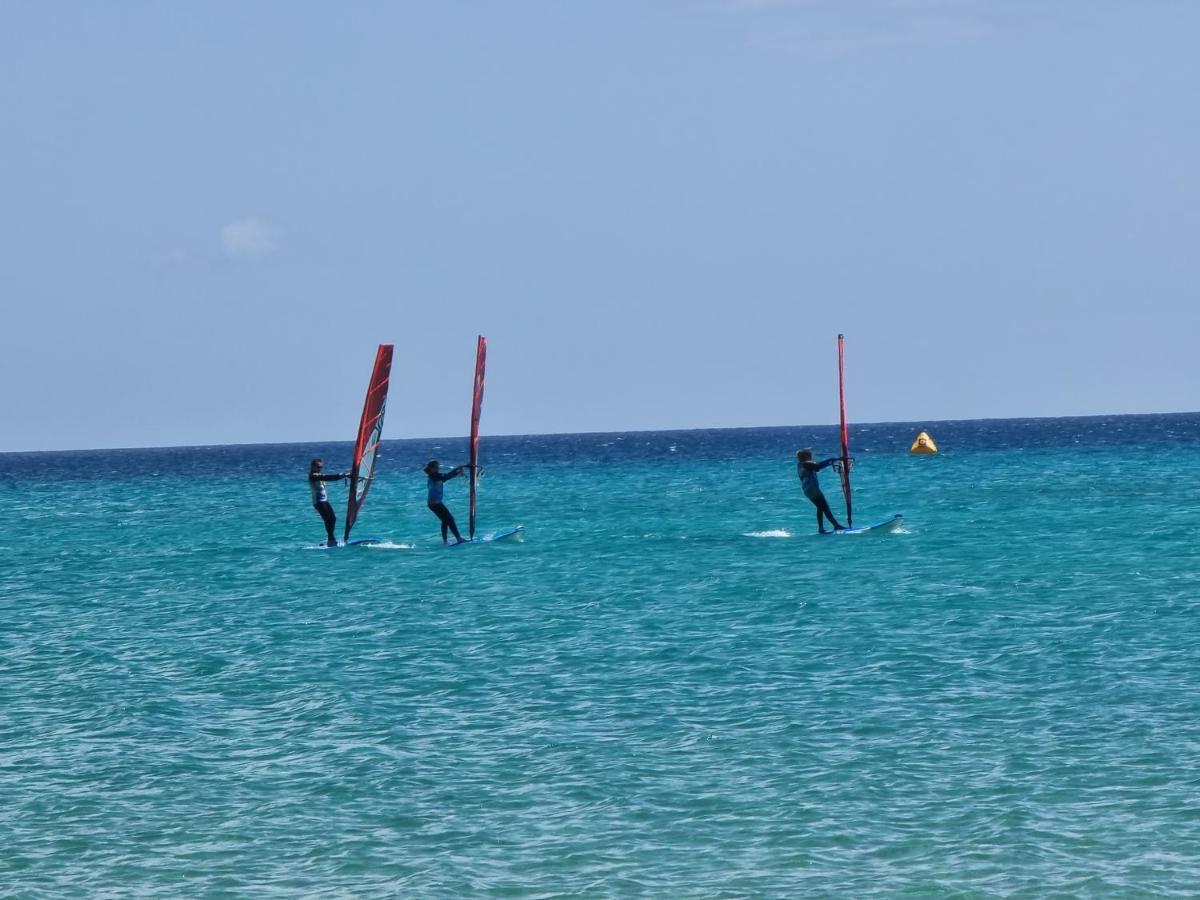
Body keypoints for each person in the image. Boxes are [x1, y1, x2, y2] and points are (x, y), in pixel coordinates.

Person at [796, 448, 845, 534]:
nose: (811, 457)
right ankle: (836, 525)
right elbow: (819, 466)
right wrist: (833, 460)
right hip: (813, 489)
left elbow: (816, 468)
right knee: (825, 507)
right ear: (806, 456)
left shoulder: (801, 465)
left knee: (820, 507)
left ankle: (821, 528)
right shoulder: (805, 464)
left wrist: (832, 461)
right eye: (810, 456)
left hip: (807, 490)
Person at [424, 459, 467, 544]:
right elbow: (446, 477)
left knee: (445, 520)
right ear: (432, 468)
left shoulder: (434, 475)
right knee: (450, 519)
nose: (438, 468)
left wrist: (457, 469)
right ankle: (458, 539)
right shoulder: (434, 476)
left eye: (438, 467)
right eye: (436, 467)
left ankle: (445, 541)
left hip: (435, 503)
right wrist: (457, 471)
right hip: (435, 504)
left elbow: (446, 476)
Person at [309, 458, 350, 546]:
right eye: (319, 467)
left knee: (333, 519)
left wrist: (347, 475)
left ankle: (331, 539)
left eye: (322, 467)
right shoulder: (313, 476)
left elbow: (327, 477)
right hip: (318, 502)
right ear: (313, 467)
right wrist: (341, 475)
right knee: (328, 519)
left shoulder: (318, 474)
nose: (320, 469)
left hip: (324, 501)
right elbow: (328, 477)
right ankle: (331, 540)